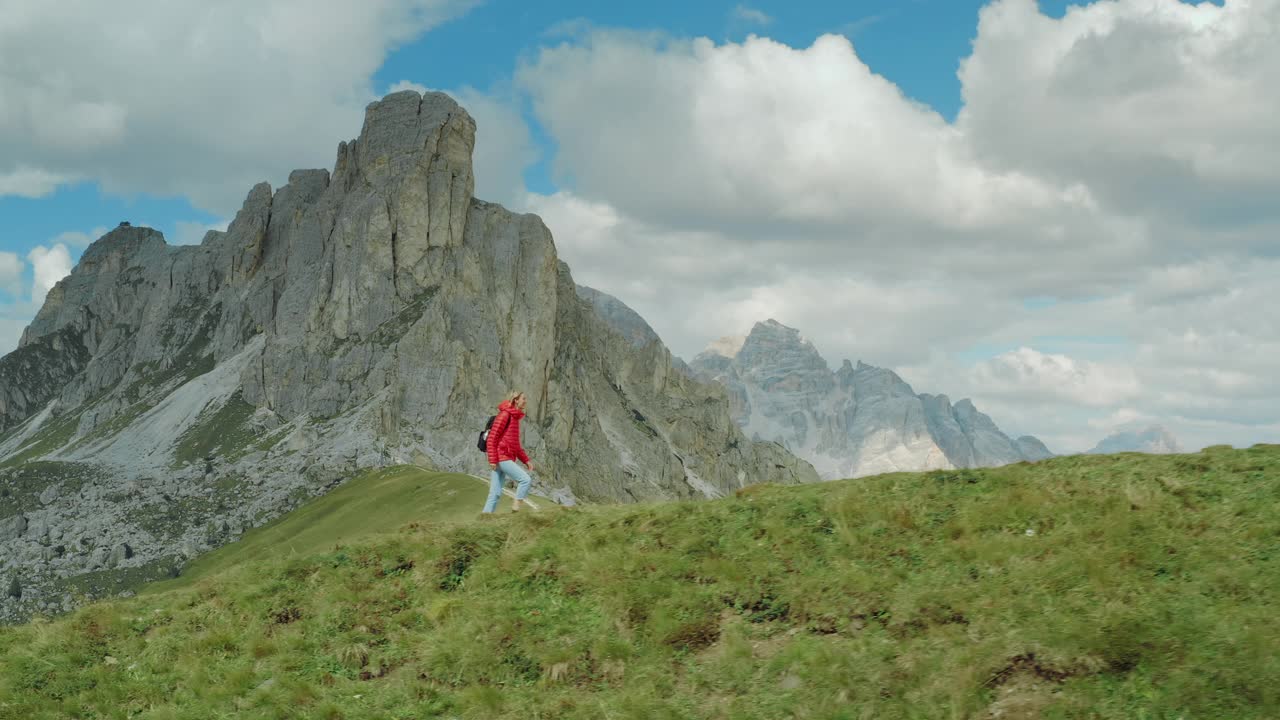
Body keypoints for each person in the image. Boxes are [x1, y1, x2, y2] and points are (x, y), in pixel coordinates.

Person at [483, 391, 535, 513]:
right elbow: (492, 438)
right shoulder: (505, 415)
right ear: (516, 400)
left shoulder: (514, 418)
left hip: (502, 459)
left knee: (495, 494)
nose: (525, 401)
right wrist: (492, 459)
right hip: (502, 458)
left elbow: (516, 446)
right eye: (524, 398)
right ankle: (516, 507)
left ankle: (484, 520)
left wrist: (526, 460)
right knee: (525, 480)